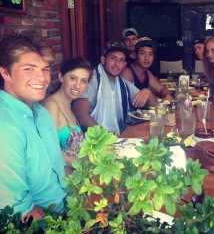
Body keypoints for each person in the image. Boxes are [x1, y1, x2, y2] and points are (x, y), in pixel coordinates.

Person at [0, 32, 66, 221]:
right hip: (47, 225)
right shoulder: (5, 127)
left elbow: (57, 170)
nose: (43, 78)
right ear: (5, 72)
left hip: (70, 206)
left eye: (45, 69)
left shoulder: (42, 112)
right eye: (29, 69)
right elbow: (17, 213)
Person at [73, 42, 157, 135]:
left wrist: (147, 92)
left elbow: (155, 106)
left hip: (119, 137)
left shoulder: (122, 83)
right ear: (103, 60)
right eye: (113, 58)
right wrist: (107, 138)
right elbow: (81, 115)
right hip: (96, 141)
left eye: (121, 60)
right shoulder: (91, 80)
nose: (117, 64)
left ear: (125, 64)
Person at [42, 57, 92, 175]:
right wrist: (88, 165)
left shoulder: (69, 105)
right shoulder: (51, 105)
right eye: (73, 78)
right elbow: (50, 152)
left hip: (79, 175)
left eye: (83, 81)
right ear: (60, 77)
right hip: (63, 181)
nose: (78, 86)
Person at [120, 37, 173, 102]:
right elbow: (131, 101)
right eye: (142, 53)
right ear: (135, 55)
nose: (147, 58)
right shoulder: (127, 72)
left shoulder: (147, 73)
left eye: (150, 54)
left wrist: (167, 95)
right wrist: (148, 93)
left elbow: (162, 89)